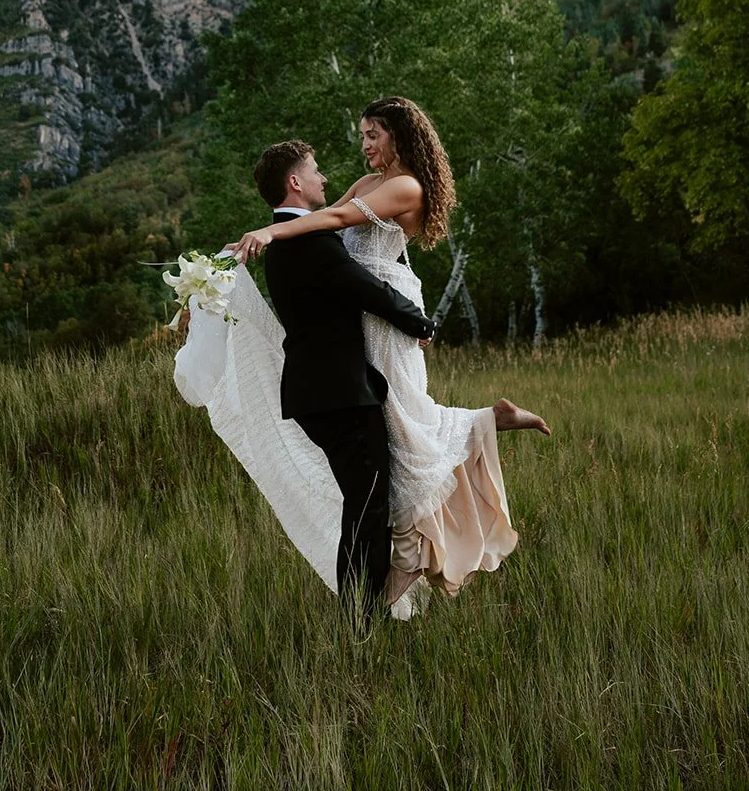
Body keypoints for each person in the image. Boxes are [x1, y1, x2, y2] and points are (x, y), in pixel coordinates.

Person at [228, 97, 550, 607]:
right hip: (365, 313)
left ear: (397, 135)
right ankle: (487, 423)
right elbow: (331, 216)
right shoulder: (366, 186)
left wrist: (271, 229)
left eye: (372, 135)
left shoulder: (405, 186)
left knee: (404, 424)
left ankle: (383, 580)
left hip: (388, 306)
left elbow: (332, 222)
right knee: (396, 441)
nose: (365, 146)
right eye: (362, 136)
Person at [254, 139, 435, 617]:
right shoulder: (309, 242)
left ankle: (361, 614)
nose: (324, 179)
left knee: (363, 504)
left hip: (318, 392)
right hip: (340, 395)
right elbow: (368, 290)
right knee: (369, 509)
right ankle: (361, 621)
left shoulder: (287, 238)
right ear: (295, 182)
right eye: (314, 171)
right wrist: (421, 324)